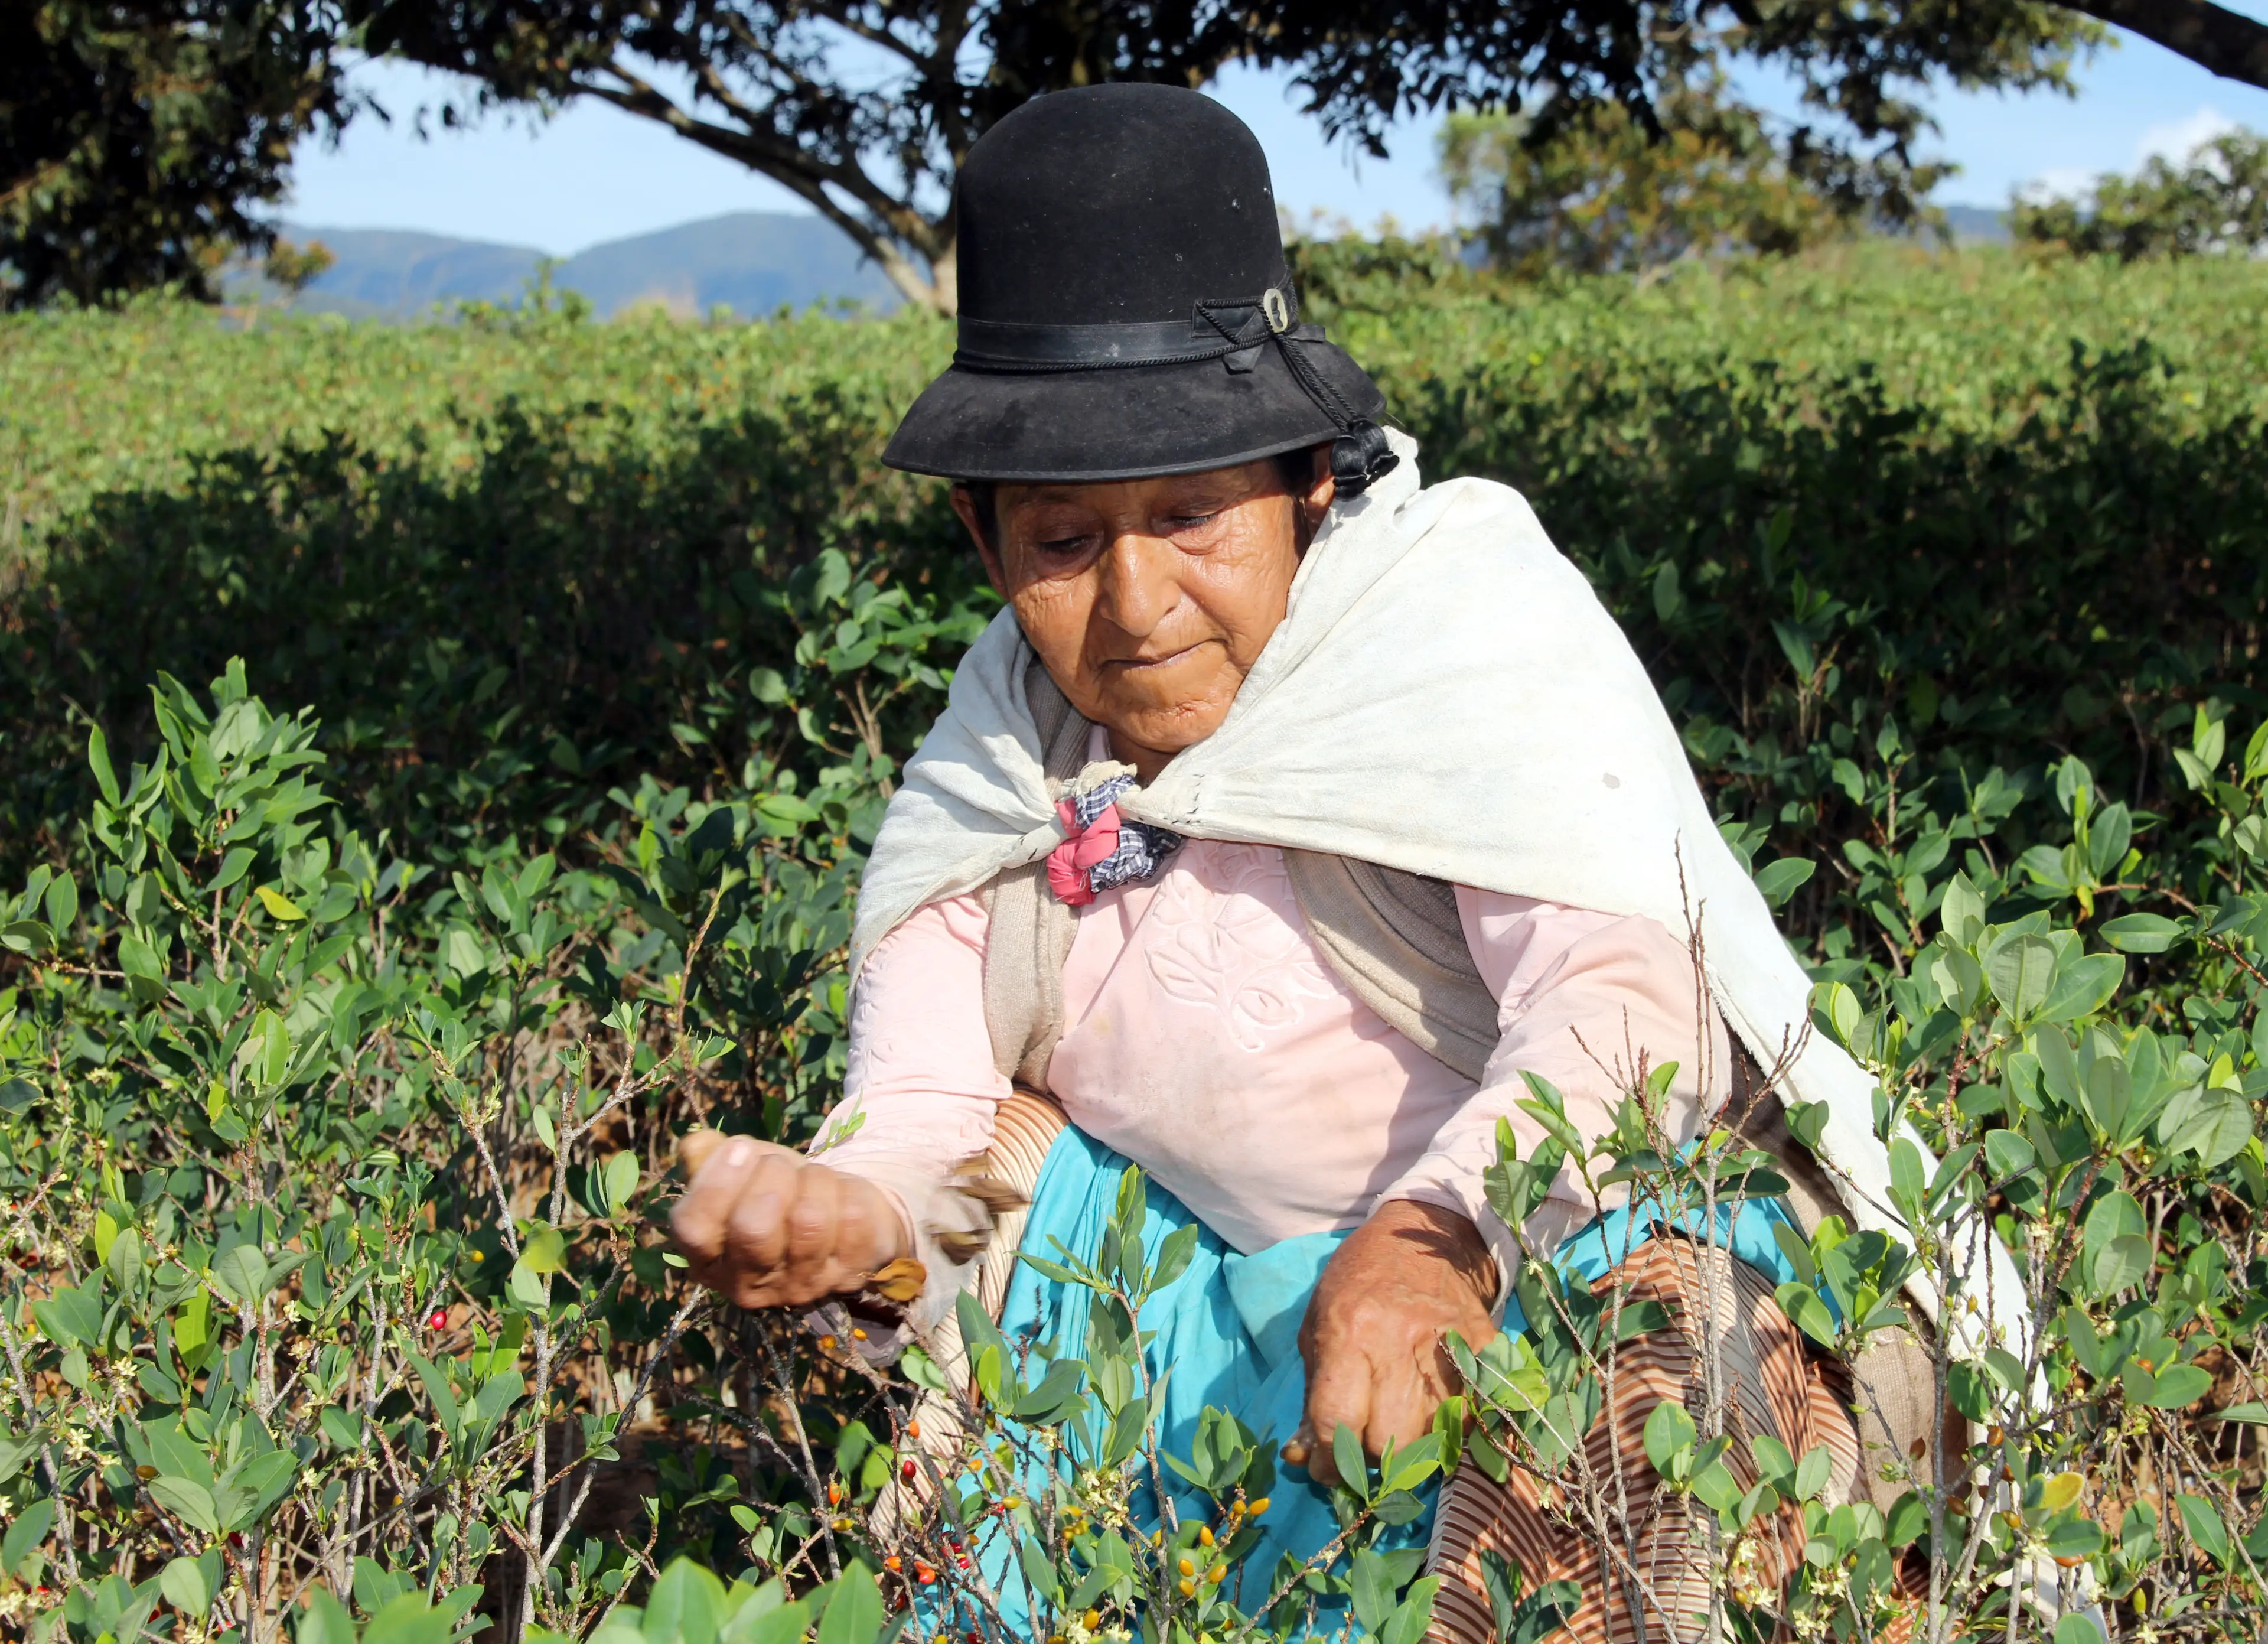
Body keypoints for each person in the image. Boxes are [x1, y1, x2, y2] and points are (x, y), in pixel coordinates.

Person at [672, 84, 2025, 1644]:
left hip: (1539, 1246)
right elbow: (922, 1118)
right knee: (1011, 1158)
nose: (1134, 604)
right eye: (1059, 542)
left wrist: (1436, 1234)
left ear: (1311, 476)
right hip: (1209, 1317)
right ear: (984, 539)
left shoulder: (1449, 632)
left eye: (1194, 515)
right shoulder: (1004, 758)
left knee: (1654, 1329)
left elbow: (1633, 996)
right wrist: (844, 1209)